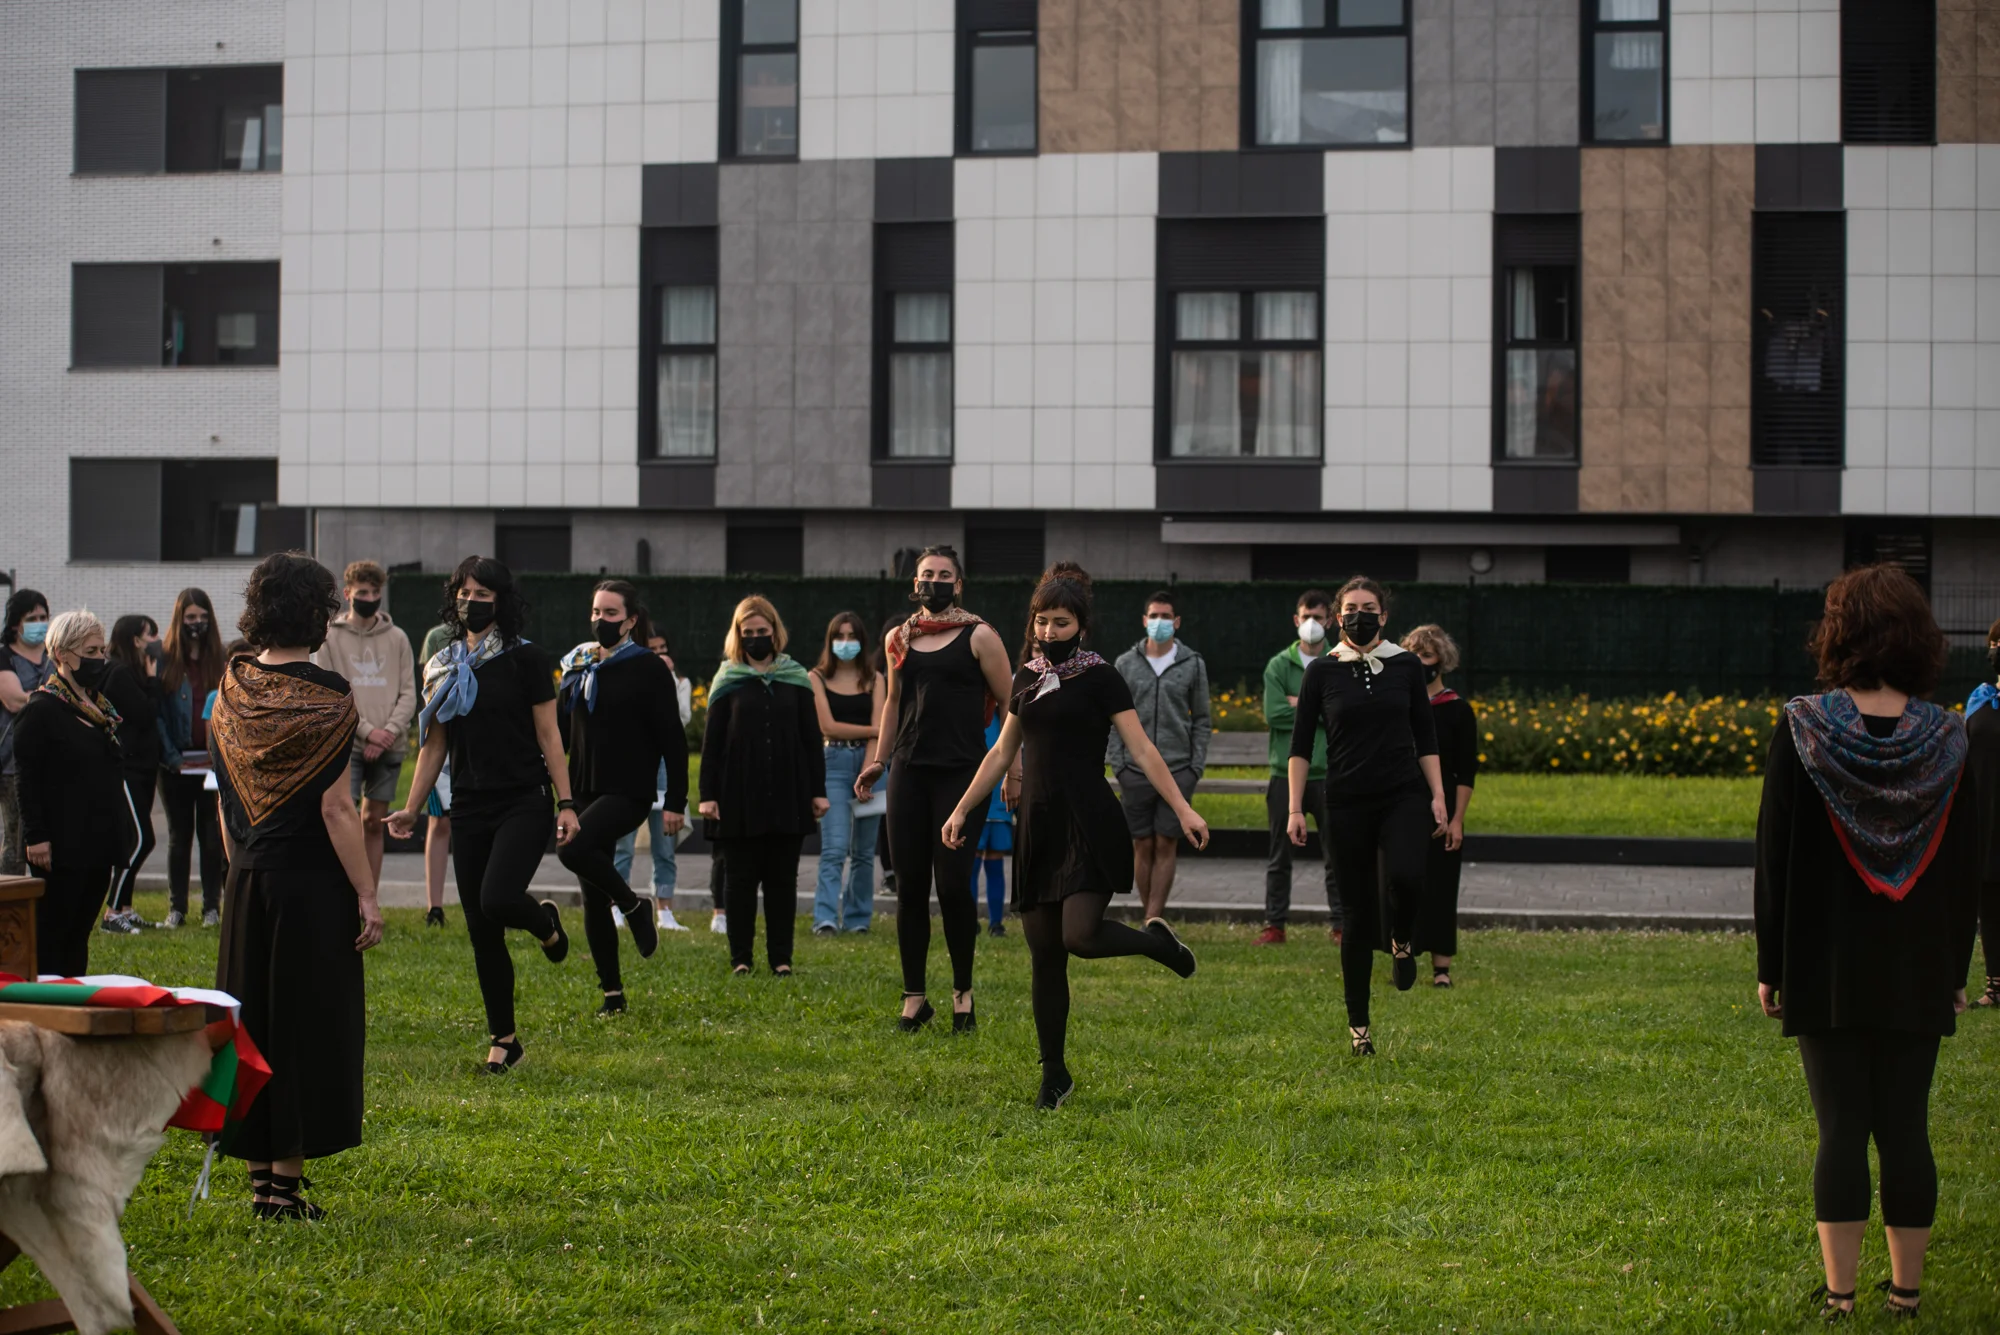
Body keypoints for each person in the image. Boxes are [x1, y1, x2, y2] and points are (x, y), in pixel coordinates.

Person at [1754, 563, 1981, 1321]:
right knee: (1908, 1127)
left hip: (1824, 962)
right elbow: (1965, 866)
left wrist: (1771, 964)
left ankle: (1841, 1296)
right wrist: (1955, 967)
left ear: (1838, 633)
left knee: (1841, 1130)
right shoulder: (1949, 737)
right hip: (1918, 964)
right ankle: (1906, 1295)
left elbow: (1774, 855)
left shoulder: (1802, 728)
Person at [944, 562, 1207, 1108]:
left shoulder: (1102, 677)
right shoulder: (1026, 677)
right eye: (1041, 621)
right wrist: (963, 809)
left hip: (1089, 823)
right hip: (1038, 826)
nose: (1049, 631)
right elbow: (1002, 752)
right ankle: (1054, 1074)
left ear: (1081, 626)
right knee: (1044, 956)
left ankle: (1157, 944)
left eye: (1060, 622)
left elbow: (1141, 749)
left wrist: (1182, 809)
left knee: (1079, 937)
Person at [208, 554, 384, 1220]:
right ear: (318, 614)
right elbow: (337, 809)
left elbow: (226, 800)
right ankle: (284, 1190)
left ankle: (261, 1184)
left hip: (248, 879)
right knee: (305, 1030)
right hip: (310, 888)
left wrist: (240, 871)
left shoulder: (231, 685)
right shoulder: (330, 695)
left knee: (251, 1029)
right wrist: (367, 893)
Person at [387, 556, 579, 1074]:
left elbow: (549, 736)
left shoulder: (527, 659)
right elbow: (434, 745)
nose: (471, 602)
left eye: (483, 594)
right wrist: (410, 808)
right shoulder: (443, 665)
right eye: (464, 593)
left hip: (524, 799)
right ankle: (504, 1041)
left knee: (497, 898)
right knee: (481, 929)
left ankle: (545, 924)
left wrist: (566, 803)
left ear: (502, 601)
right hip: (469, 804)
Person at [854, 546, 1015, 1032]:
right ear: (915, 582)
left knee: (952, 886)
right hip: (909, 770)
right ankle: (914, 999)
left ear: (958, 584)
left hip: (962, 773)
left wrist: (1015, 770)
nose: (935, 581)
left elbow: (1011, 704)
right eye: (927, 574)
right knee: (909, 888)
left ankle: (963, 995)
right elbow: (893, 703)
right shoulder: (899, 638)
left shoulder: (980, 635)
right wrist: (879, 760)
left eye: (945, 575)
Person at [1288, 576, 1447, 1057]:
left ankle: (1401, 938)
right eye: (1352, 608)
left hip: (1403, 794)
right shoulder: (1321, 672)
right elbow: (1300, 745)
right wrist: (1295, 807)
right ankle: (1360, 1029)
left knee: (1407, 876)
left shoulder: (1406, 666)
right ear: (1338, 617)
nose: (1361, 615)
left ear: (1384, 615)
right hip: (1345, 801)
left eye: (1370, 608)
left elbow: (1425, 735)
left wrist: (1438, 795)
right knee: (1355, 916)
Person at [555, 580, 686, 1015]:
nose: (601, 620)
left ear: (630, 621)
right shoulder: (578, 663)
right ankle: (612, 994)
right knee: (592, 893)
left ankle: (633, 906)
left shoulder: (649, 667)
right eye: (596, 612)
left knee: (572, 849)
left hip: (628, 789)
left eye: (610, 614)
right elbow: (559, 731)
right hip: (581, 788)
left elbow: (672, 738)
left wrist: (676, 800)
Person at [698, 597, 825, 977]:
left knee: (782, 880)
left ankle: (781, 959)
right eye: (748, 632)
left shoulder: (796, 677)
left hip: (788, 791)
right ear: (738, 635)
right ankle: (741, 958)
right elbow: (712, 743)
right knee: (738, 879)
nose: (756, 638)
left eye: (762, 631)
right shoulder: (727, 679)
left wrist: (818, 790)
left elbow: (810, 738)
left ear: (775, 631)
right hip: (737, 793)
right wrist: (707, 795)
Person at [13, 610, 140, 977]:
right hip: (62, 846)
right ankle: (49, 1001)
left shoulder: (99, 708)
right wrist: (36, 836)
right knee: (54, 935)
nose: (100, 659)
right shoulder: (41, 710)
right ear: (63, 654)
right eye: (91, 651)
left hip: (96, 843)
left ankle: (74, 997)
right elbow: (26, 779)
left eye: (102, 650)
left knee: (79, 935)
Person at [1107, 589, 1211, 922]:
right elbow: (1112, 719)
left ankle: (1153, 919)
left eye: (1166, 616)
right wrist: (1119, 765)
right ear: (1144, 620)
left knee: (1166, 843)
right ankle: (1148, 916)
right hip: (1134, 771)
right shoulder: (1125, 663)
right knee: (1142, 844)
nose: (1159, 622)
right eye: (1154, 616)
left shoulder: (1193, 663)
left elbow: (1202, 720)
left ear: (1176, 622)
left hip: (1178, 769)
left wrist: (1194, 768)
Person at [315, 561, 417, 889]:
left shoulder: (398, 638)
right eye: (363, 592)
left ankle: (368, 895)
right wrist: (367, 731)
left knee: (374, 821)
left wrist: (387, 733)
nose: (370, 598)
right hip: (347, 744)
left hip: (390, 743)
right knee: (342, 818)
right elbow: (330, 694)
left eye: (375, 592)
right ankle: (344, 891)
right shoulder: (329, 637)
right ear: (347, 594)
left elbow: (409, 693)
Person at [1259, 589, 1340, 946]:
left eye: (1318, 617)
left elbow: (1342, 716)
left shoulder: (1339, 662)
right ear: (1296, 619)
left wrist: (1301, 704)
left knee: (1336, 856)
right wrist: (1318, 708)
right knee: (1279, 856)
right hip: (1285, 774)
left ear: (1330, 621)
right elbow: (1273, 714)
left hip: (1330, 773)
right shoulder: (1279, 665)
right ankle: (1274, 925)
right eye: (1306, 616)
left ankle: (1341, 924)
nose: (1312, 623)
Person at [1401, 625, 1477, 988]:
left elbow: (1466, 771)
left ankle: (1441, 967)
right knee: (1402, 883)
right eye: (1414, 655)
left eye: (1427, 656)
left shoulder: (1458, 710)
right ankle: (1402, 958)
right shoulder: (1399, 706)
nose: (1420, 663)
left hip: (1444, 808)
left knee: (1442, 886)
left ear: (1441, 661)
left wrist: (1458, 819)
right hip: (1402, 805)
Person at [612, 631, 696, 932]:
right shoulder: (630, 678)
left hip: (663, 770)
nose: (660, 654)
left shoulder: (681, 683)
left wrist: (667, 677)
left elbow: (681, 718)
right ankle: (617, 906)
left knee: (664, 848)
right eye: (653, 649)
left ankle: (665, 910)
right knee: (623, 845)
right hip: (632, 769)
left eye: (663, 648)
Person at [156, 588, 228, 927]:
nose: (197, 623)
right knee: (179, 836)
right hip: (175, 763)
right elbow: (158, 716)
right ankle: (177, 908)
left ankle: (211, 907)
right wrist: (173, 758)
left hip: (212, 763)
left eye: (202, 617)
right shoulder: (166, 660)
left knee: (211, 835)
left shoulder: (220, 659)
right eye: (190, 618)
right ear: (179, 620)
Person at [808, 611, 883, 936]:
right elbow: (828, 727)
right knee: (835, 847)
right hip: (833, 764)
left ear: (862, 641)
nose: (846, 642)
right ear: (830, 641)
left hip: (871, 765)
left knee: (864, 852)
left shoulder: (876, 679)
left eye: (852, 636)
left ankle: (858, 919)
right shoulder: (816, 677)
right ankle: (825, 918)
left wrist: (869, 770)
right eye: (839, 636)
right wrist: (874, 730)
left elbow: (879, 732)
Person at [98, 614, 163, 932]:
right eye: (151, 635)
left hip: (142, 767)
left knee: (134, 840)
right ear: (136, 640)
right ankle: (112, 913)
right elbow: (145, 713)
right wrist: (152, 679)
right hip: (127, 768)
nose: (156, 641)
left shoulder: (129, 672)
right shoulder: (120, 673)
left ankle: (125, 907)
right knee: (140, 840)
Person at [0, 590, 54, 877]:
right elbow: (14, 700)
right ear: (14, 624)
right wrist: (55, 699)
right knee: (15, 839)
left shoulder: (54, 654)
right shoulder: (4, 657)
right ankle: (9, 896)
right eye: (32, 618)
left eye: (43, 617)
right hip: (13, 761)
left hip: (53, 757)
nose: (39, 623)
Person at [1966, 617, 2000, 1010]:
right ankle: (1996, 985)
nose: (1996, 650)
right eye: (1994, 642)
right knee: (1989, 898)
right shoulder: (1980, 700)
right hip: (1985, 815)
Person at [418, 619, 456, 928]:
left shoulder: (502, 638)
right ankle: (435, 907)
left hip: (485, 746)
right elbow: (427, 686)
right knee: (439, 821)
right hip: (444, 741)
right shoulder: (437, 637)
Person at [969, 711, 1010, 937]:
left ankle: (996, 923)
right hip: (972, 802)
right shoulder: (970, 714)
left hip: (999, 803)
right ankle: (969, 919)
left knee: (995, 860)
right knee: (972, 862)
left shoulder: (1005, 717)